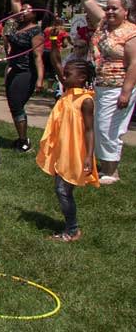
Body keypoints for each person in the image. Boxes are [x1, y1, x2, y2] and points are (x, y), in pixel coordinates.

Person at [75, 0, 136, 184]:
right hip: (101, 84)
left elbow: (134, 65)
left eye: (115, 9)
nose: (110, 12)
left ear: (126, 11)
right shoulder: (103, 24)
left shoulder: (131, 33)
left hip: (120, 86)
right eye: (108, 8)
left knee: (108, 127)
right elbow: (88, 0)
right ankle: (106, 166)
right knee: (101, 125)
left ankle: (112, 172)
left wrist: (126, 93)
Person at [36, 60, 98, 242]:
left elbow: (89, 130)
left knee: (63, 190)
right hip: (63, 150)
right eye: (64, 74)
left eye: (68, 74)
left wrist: (88, 156)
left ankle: (72, 230)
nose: (63, 77)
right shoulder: (68, 93)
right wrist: (53, 40)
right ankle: (71, 227)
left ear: (82, 78)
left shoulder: (85, 101)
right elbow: (54, 61)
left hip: (75, 152)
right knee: (61, 189)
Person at [6, 0, 46, 152]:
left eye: (27, 10)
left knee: (16, 104)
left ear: (35, 13)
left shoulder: (36, 32)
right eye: (22, 9)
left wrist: (40, 79)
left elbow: (38, 57)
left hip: (26, 72)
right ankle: (21, 137)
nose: (22, 11)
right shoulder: (19, 24)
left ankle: (24, 141)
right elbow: (15, 0)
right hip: (13, 69)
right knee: (13, 104)